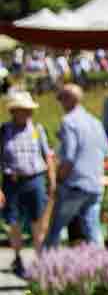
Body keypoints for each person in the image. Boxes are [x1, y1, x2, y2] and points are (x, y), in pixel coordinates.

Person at [45, 84, 108, 248]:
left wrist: (58, 180)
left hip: (76, 184)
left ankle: (46, 266)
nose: (61, 104)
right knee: (93, 230)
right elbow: (106, 153)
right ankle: (102, 267)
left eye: (62, 100)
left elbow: (69, 157)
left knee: (55, 229)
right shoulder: (95, 122)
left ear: (69, 100)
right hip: (95, 183)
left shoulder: (69, 122)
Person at [0, 91, 54, 275]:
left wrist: (51, 180)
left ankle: (40, 261)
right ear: (14, 111)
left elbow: (47, 155)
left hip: (34, 179)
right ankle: (18, 257)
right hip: (12, 181)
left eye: (27, 110)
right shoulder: (4, 131)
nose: (25, 113)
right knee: (13, 221)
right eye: (21, 110)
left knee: (37, 221)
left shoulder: (37, 130)